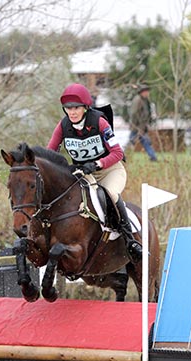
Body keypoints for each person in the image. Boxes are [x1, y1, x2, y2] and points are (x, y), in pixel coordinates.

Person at [47, 83, 143, 262]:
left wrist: (97, 163)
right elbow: (50, 152)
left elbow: (118, 153)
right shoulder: (63, 126)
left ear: (85, 107)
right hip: (84, 174)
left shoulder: (99, 122)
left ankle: (130, 239)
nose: (72, 112)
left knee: (110, 194)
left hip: (110, 170)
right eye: (68, 108)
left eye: (76, 108)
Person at [129, 85, 158, 162]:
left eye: (147, 91)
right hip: (137, 126)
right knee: (132, 141)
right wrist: (137, 126)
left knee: (146, 141)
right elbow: (134, 113)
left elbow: (147, 113)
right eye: (145, 91)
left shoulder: (145, 100)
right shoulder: (137, 100)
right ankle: (123, 156)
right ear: (141, 92)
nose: (147, 93)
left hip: (142, 126)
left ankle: (153, 157)